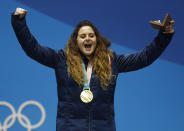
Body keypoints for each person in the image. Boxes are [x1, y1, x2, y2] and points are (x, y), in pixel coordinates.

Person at [11, 8, 174, 131]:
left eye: (91, 35)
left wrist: (164, 36)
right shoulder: (62, 59)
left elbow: (144, 57)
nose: (87, 39)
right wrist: (19, 23)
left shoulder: (112, 61)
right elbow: (33, 49)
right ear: (76, 41)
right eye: (82, 36)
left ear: (97, 40)